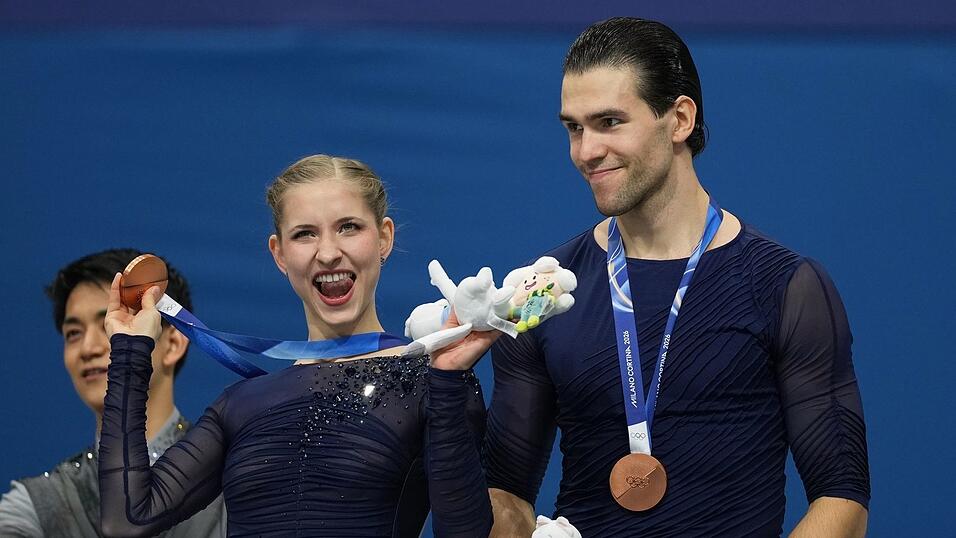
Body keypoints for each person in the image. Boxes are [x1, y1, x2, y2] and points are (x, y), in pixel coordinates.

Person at [485, 17, 870, 537]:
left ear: (680, 119)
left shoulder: (785, 286)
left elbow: (841, 498)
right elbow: (505, 495)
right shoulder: (544, 293)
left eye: (609, 122)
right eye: (574, 128)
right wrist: (447, 390)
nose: (585, 151)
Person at [97, 155, 495, 537]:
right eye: (305, 234)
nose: (327, 252)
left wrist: (447, 382)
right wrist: (131, 352)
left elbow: (464, 531)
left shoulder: (431, 380)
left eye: (349, 227)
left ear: (384, 238)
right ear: (280, 254)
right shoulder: (240, 405)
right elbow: (128, 518)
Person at [0, 249, 226, 537]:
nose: (89, 348)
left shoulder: (233, 479)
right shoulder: (39, 505)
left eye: (113, 322)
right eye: (73, 333)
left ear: (173, 344)